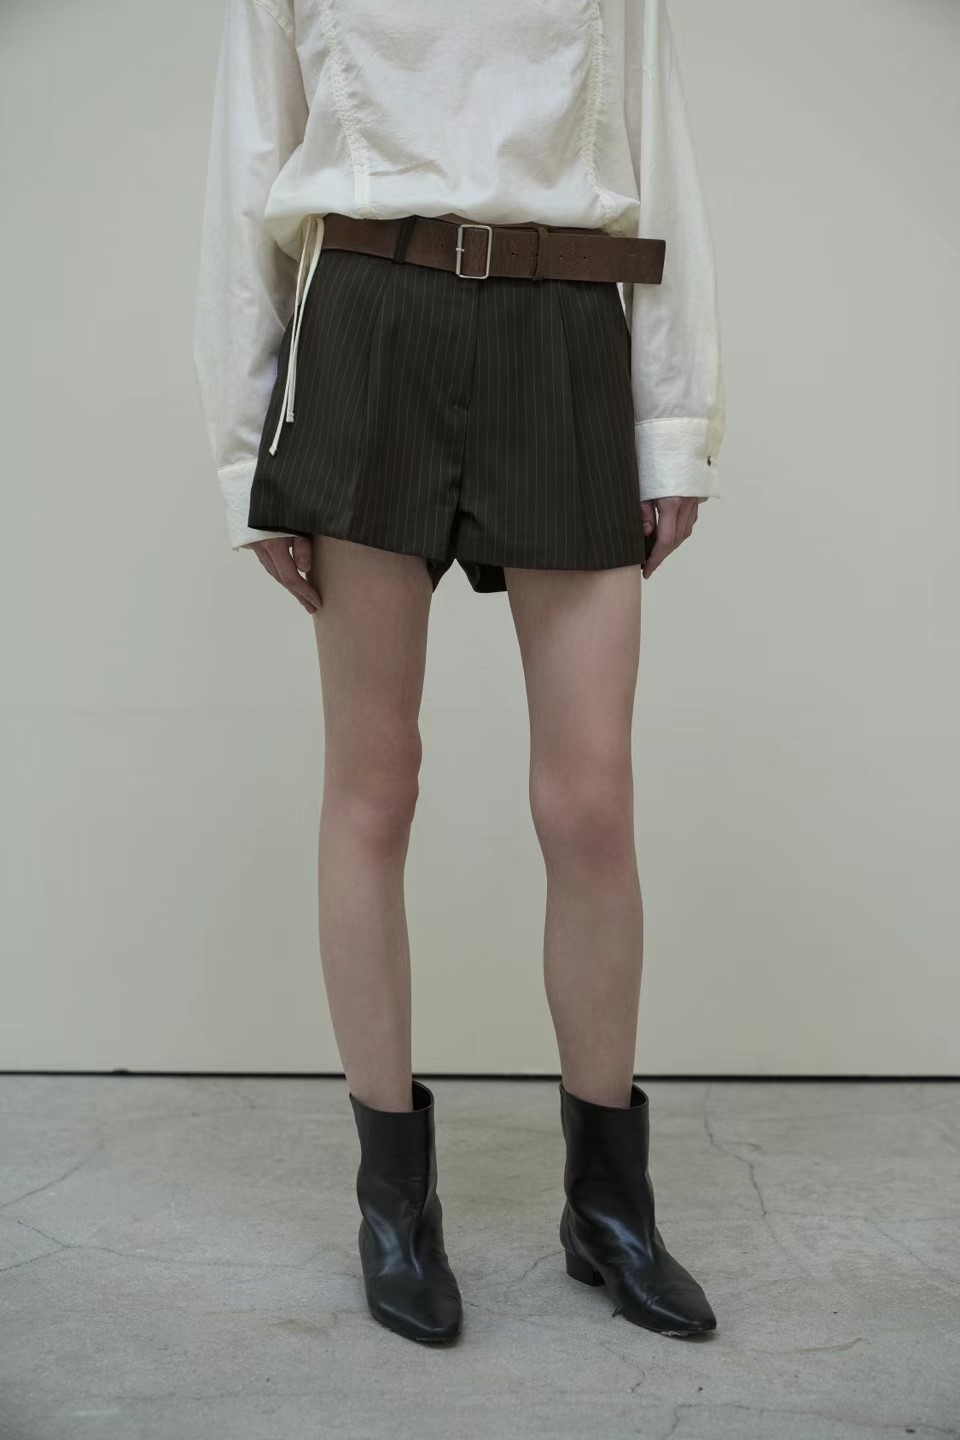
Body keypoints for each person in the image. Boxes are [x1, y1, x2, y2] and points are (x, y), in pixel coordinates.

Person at [192, 0, 725, 1346]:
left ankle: (610, 1208)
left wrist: (675, 420)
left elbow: (658, 149)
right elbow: (249, 166)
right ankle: (394, 1208)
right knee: (376, 784)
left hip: (565, 320)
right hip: (367, 325)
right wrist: (243, 448)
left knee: (590, 801)